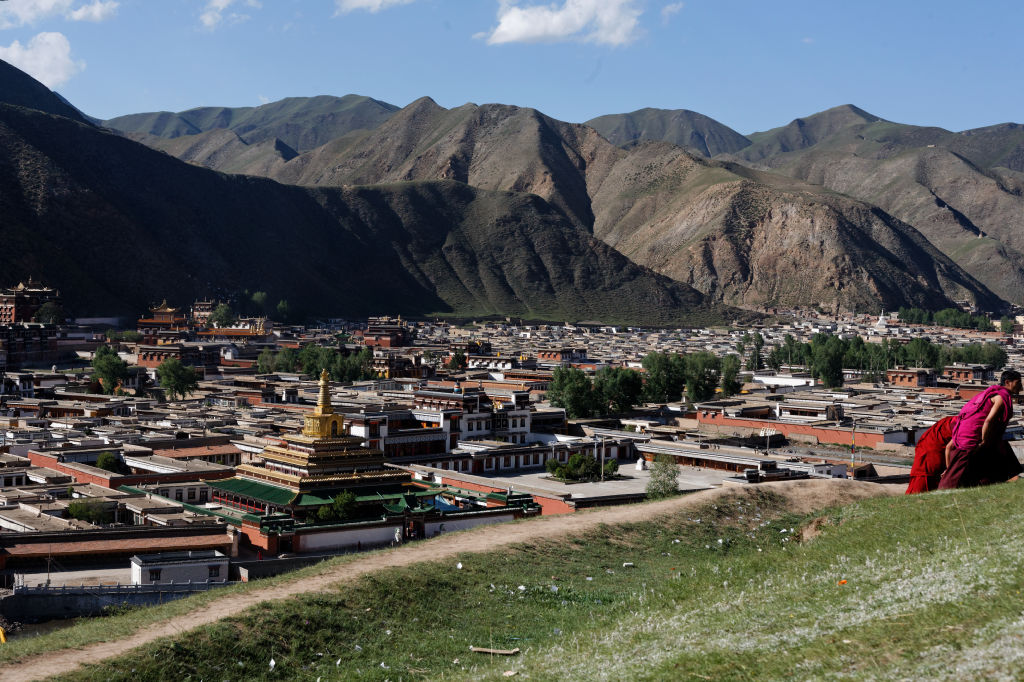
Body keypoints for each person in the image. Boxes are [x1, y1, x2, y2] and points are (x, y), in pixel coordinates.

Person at [937, 369, 1023, 490]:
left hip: (967, 436)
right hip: (973, 439)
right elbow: (988, 420)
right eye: (1018, 383)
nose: (1021, 387)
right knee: (953, 482)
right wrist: (983, 441)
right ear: (1008, 382)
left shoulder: (992, 394)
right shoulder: (1000, 397)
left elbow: (949, 447)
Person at [906, 415, 957, 494]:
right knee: (923, 479)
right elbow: (949, 447)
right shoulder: (962, 424)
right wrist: (949, 470)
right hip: (931, 451)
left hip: (931, 445)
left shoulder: (958, 421)